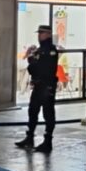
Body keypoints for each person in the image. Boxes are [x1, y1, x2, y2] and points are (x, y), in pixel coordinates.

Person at [16, 24, 59, 153]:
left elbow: (43, 68)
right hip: (38, 85)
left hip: (47, 85)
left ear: (48, 34)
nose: (39, 35)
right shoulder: (40, 50)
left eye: (42, 33)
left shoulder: (51, 50)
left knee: (48, 114)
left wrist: (34, 64)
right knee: (32, 111)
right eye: (39, 33)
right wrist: (33, 63)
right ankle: (30, 137)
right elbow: (32, 67)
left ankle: (47, 141)